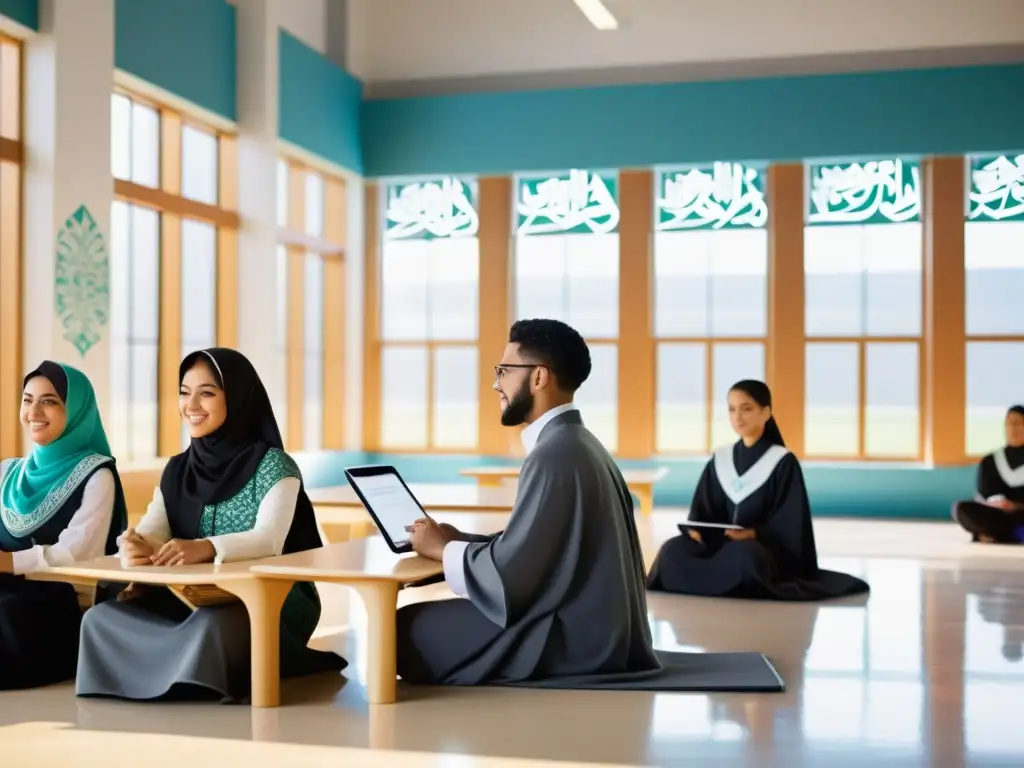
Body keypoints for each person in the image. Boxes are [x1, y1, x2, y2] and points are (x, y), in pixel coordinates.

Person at [396, 318, 662, 685]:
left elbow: (515, 577)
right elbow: (541, 550)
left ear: (538, 377)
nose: (496, 384)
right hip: (601, 630)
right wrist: (459, 543)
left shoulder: (555, 453)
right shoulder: (578, 442)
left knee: (407, 628)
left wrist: (444, 551)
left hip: (576, 641)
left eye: (504, 371)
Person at [76, 348, 344, 702]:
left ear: (236, 397)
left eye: (207, 393)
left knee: (213, 624)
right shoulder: (178, 469)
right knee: (100, 618)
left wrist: (206, 547)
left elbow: (269, 540)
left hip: (267, 598)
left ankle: (184, 678)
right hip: (191, 595)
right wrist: (135, 547)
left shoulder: (275, 466)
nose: (191, 405)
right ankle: (173, 673)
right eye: (184, 392)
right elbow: (155, 532)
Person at [646, 380, 869, 601]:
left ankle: (705, 582)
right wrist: (697, 531)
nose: (738, 417)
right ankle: (723, 584)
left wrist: (754, 533)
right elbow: (703, 512)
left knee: (744, 555)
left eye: (746, 409)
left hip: (761, 549)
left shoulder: (782, 462)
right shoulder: (721, 459)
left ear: (766, 413)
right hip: (719, 546)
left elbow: (791, 524)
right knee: (672, 550)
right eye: (732, 409)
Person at [0, 361, 127, 689]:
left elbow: (78, 551)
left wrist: (8, 562)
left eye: (50, 401)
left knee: (7, 612)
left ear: (77, 409)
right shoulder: (8, 473)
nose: (34, 411)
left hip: (56, 599)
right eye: (27, 400)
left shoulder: (96, 474)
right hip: (8, 588)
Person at [952, 405, 1024, 544]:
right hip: (998, 514)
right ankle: (1015, 534)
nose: (1013, 428)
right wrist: (996, 502)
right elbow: (985, 494)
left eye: (1018, 423)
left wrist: (1016, 505)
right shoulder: (991, 461)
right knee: (961, 509)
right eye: (1009, 423)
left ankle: (993, 535)